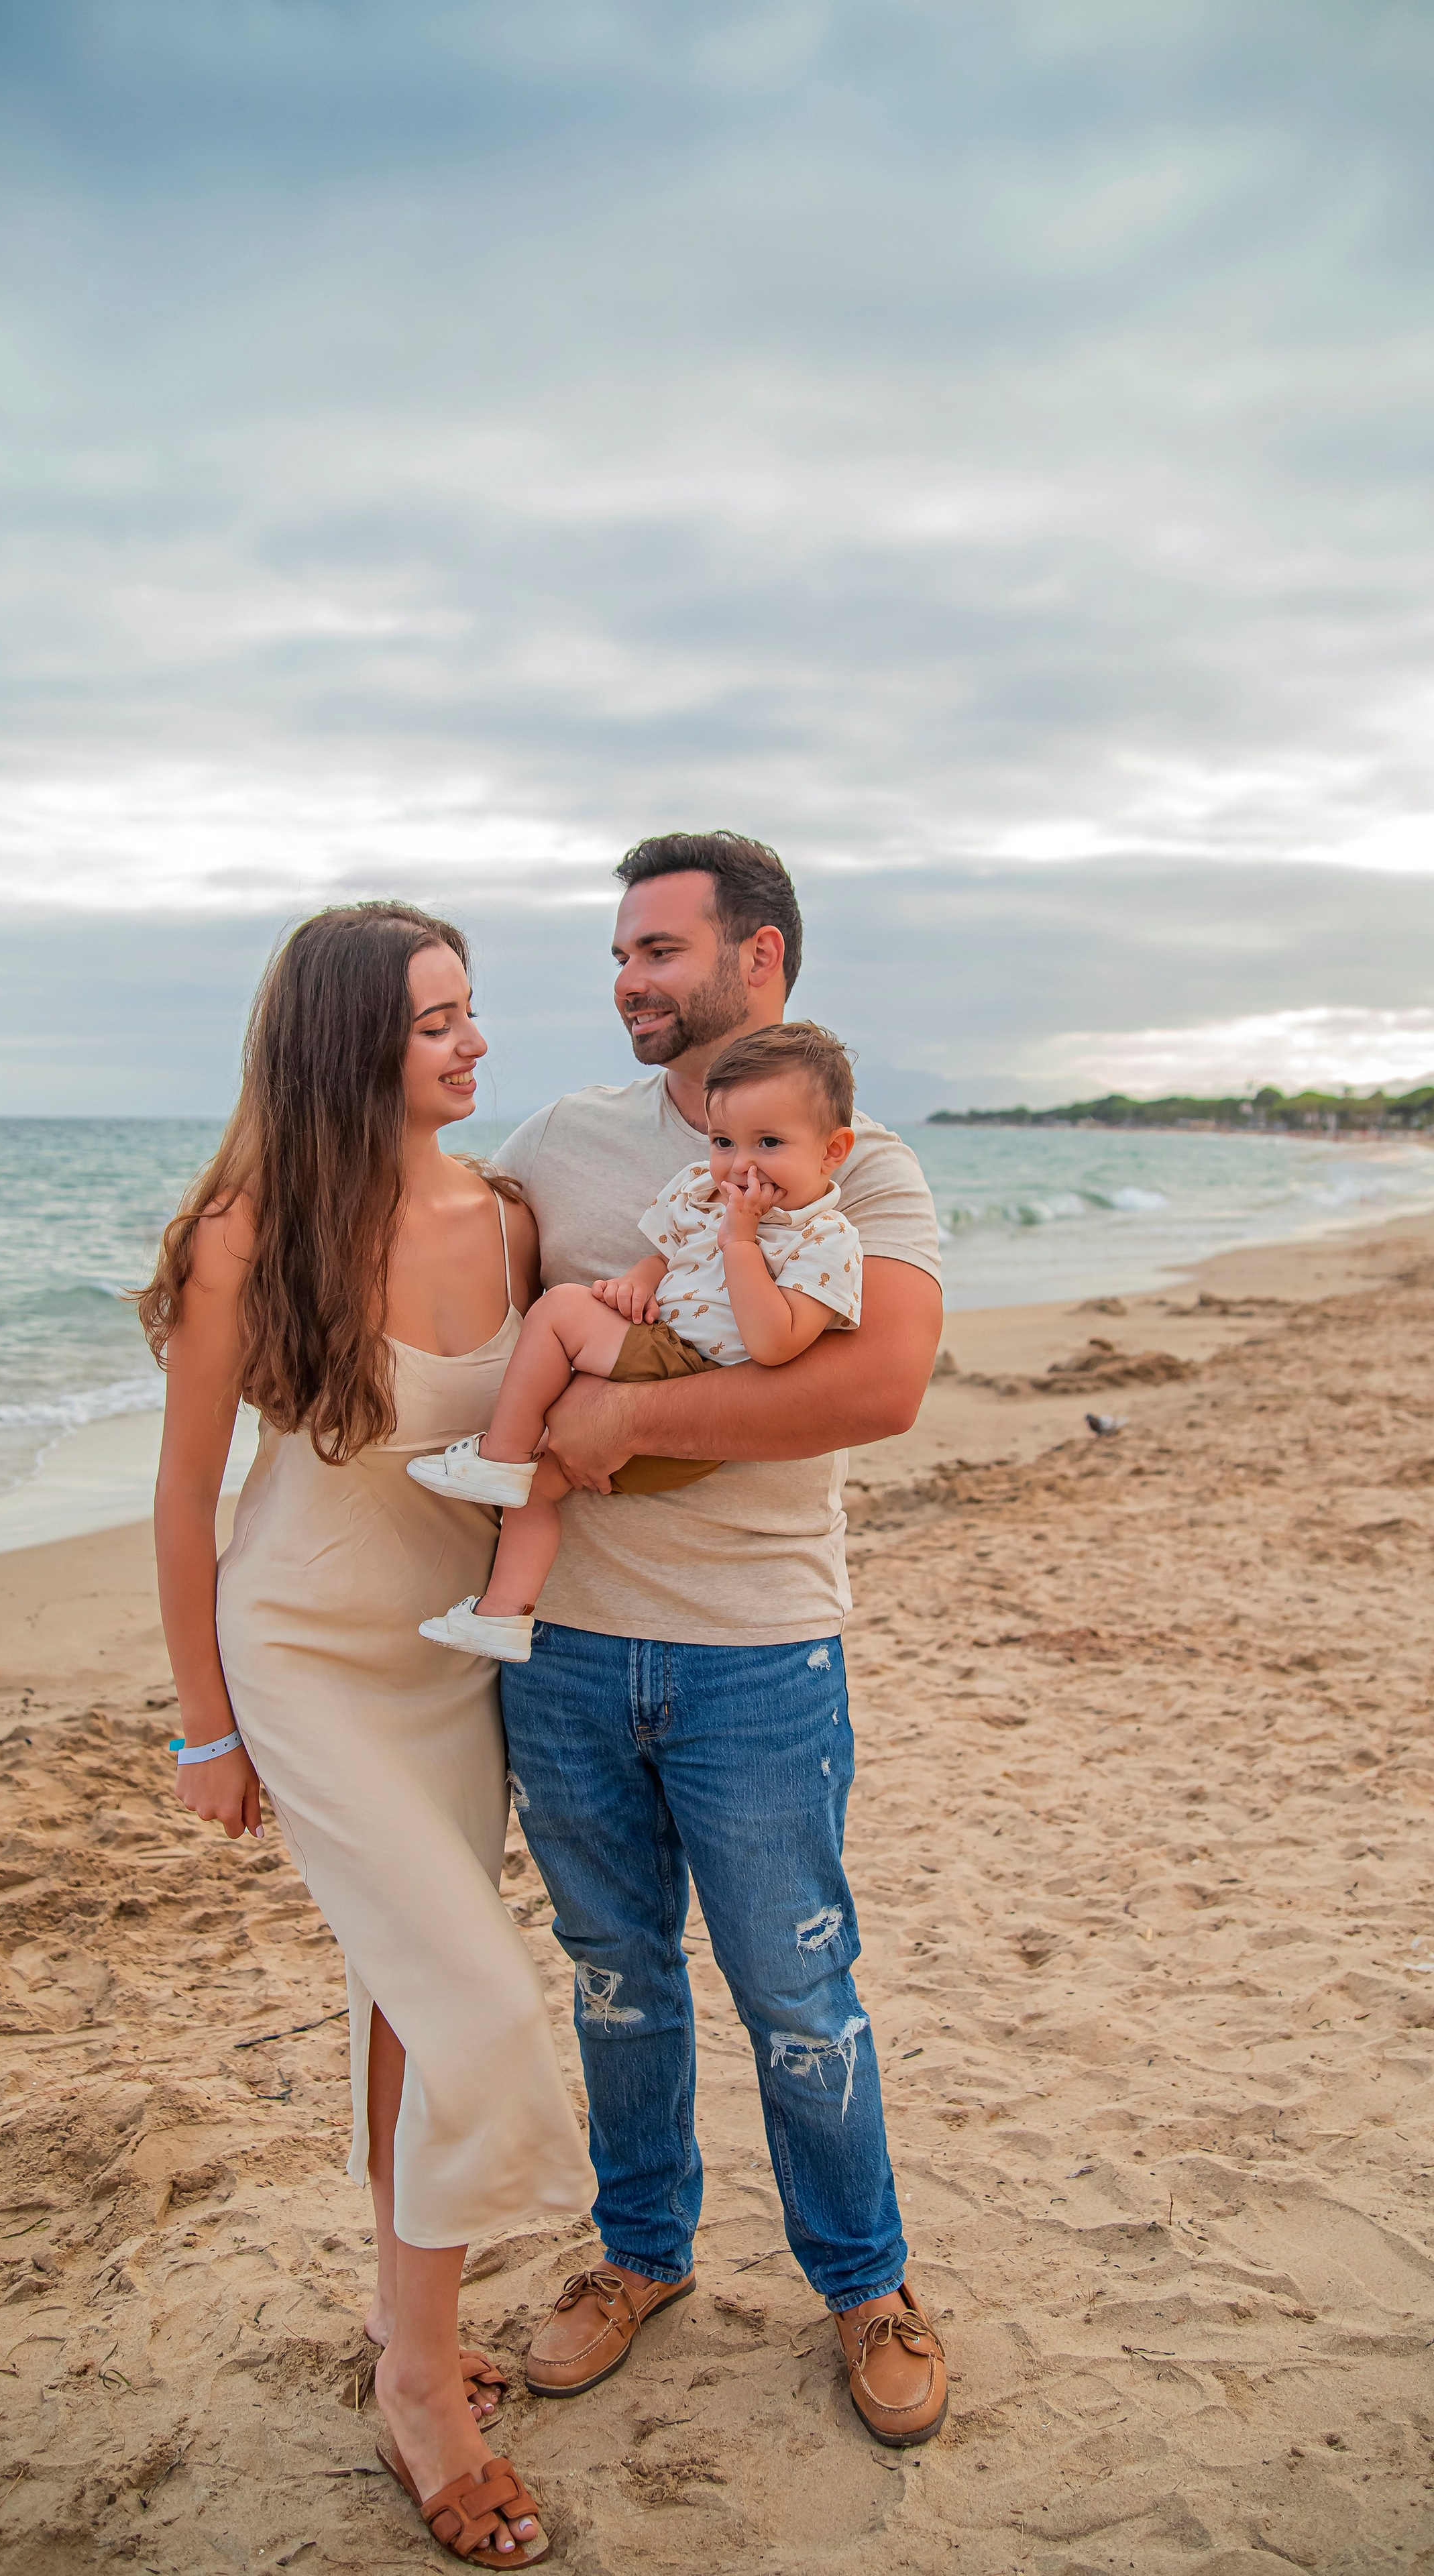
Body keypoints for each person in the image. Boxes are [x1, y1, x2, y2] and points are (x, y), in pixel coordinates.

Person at [139, 901, 594, 2567]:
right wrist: (205, 1727)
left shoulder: (508, 1215)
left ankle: (410, 2337)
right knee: (473, 1992)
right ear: (350, 1047)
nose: (475, 1043)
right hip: (308, 1652)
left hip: (453, 1660)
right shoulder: (246, 1238)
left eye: (471, 1012)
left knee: (415, 1994)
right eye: (436, 1022)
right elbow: (186, 1499)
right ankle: (419, 2379)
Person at [496, 833, 952, 2449]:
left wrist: (619, 1420)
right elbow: (441, 1277)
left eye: (660, 950)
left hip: (757, 1650)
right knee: (615, 1977)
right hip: (557, 1650)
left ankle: (864, 2282)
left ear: (757, 961)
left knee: (795, 1988)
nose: (628, 979)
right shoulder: (557, 1143)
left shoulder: (855, 1161)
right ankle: (638, 2257)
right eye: (619, 951)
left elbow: (870, 1387)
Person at [409, 1020, 864, 1663]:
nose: (741, 1165)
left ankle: (498, 1453)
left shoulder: (827, 1239)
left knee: (563, 1310)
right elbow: (665, 1259)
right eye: (723, 1141)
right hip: (659, 1341)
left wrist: (740, 1240)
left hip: (698, 1376)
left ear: (832, 1150)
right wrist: (635, 1284)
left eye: (769, 1142)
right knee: (541, 1487)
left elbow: (775, 1343)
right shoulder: (702, 1191)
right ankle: (502, 1614)